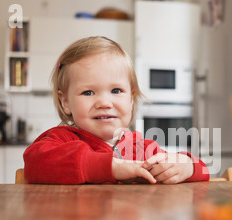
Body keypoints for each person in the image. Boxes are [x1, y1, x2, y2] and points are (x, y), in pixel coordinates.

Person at [23, 36, 209, 184]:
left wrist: (186, 167)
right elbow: (34, 164)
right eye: (88, 92)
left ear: (130, 99)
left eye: (116, 91)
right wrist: (111, 167)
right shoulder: (60, 141)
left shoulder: (144, 150)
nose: (104, 102)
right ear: (65, 102)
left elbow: (204, 171)